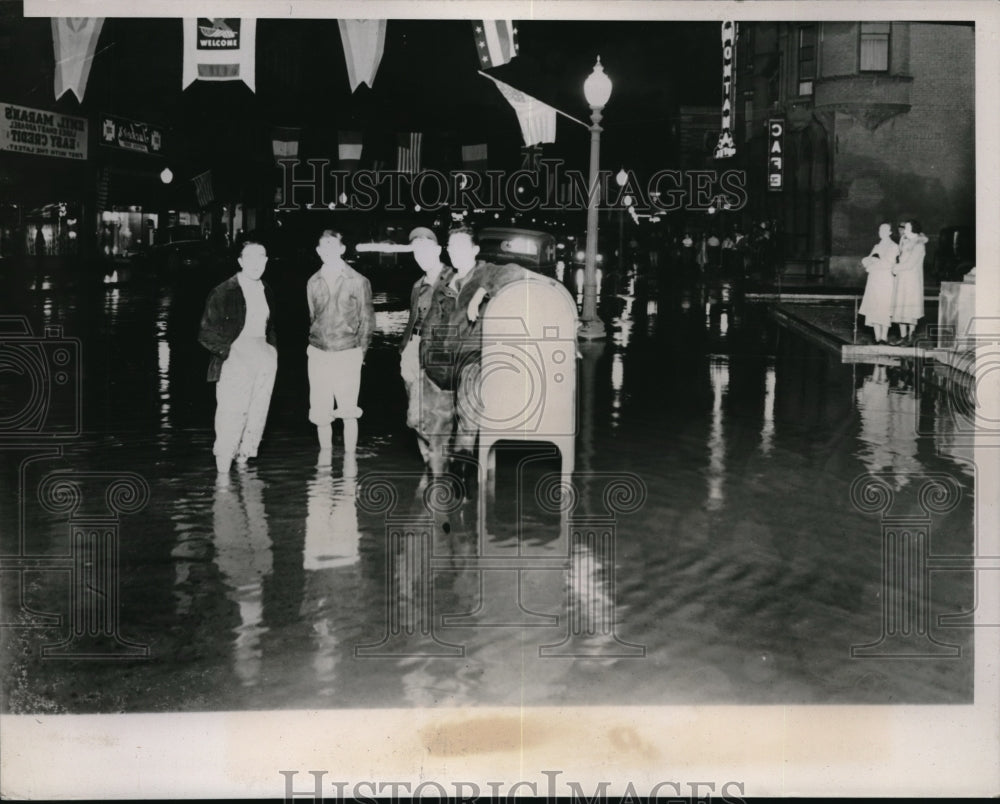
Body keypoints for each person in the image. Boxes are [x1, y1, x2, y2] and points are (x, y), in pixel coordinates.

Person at [419, 226, 558, 478]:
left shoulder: (486, 272)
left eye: (463, 247)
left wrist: (482, 291)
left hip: (472, 358)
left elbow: (517, 272)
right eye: (452, 247)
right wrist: (425, 360)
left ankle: (461, 480)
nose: (457, 253)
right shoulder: (444, 284)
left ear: (474, 250)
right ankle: (440, 486)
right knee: (432, 427)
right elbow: (429, 326)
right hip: (440, 365)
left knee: (468, 419)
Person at [198, 237, 278, 474]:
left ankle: (244, 472)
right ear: (240, 261)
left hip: (263, 358)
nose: (256, 263)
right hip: (235, 359)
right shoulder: (224, 291)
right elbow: (205, 332)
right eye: (250, 257)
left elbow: (271, 326)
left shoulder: (267, 289)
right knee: (231, 415)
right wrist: (230, 351)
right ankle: (222, 479)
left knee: (257, 414)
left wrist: (272, 351)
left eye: (261, 257)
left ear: (266, 261)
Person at [305, 229, 375, 473]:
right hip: (318, 354)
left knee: (348, 411)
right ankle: (324, 466)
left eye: (333, 246)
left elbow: (367, 322)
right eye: (324, 246)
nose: (328, 251)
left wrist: (359, 354)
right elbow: (313, 317)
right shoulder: (312, 282)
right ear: (318, 251)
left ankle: (349, 466)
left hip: (348, 353)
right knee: (321, 412)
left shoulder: (358, 281)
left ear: (342, 250)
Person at [399, 226, 452, 465]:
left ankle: (440, 464)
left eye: (426, 250)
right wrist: (404, 350)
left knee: (438, 411)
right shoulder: (416, 285)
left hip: (439, 353)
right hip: (413, 349)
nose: (420, 255)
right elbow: (412, 320)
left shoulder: (454, 280)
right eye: (416, 251)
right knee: (415, 412)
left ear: (438, 250)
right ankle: (428, 461)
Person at [857, 222, 899, 345]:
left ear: (890, 232)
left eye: (884, 230)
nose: (881, 232)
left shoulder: (893, 246)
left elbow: (888, 263)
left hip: (885, 280)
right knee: (874, 307)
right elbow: (865, 260)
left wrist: (873, 264)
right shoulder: (877, 246)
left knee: (884, 308)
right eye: (880, 229)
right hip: (874, 280)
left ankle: (884, 338)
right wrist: (870, 262)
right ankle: (877, 337)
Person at [891, 219, 928, 345]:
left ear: (913, 229)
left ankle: (911, 336)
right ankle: (903, 336)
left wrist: (895, 268)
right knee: (900, 306)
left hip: (911, 280)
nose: (903, 229)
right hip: (902, 278)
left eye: (906, 227)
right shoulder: (904, 240)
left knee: (910, 307)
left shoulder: (919, 245)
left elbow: (911, 264)